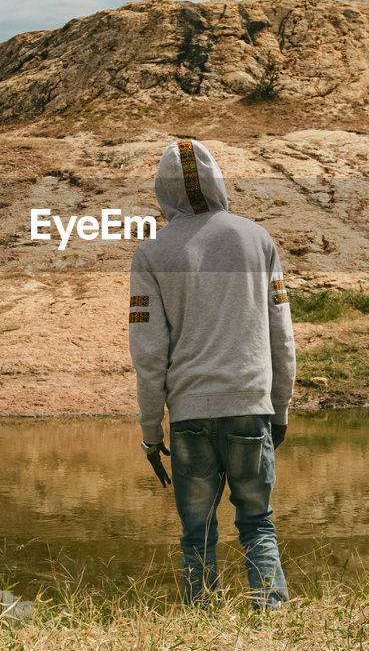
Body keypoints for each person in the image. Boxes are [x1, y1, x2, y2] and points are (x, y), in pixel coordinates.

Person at [127, 138, 296, 608]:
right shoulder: (257, 239)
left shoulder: (151, 253)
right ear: (218, 180)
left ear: (163, 189)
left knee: (197, 534)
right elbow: (281, 335)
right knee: (258, 522)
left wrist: (148, 429)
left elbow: (148, 353)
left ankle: (202, 623)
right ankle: (273, 618)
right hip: (250, 406)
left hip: (188, 416)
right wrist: (279, 409)